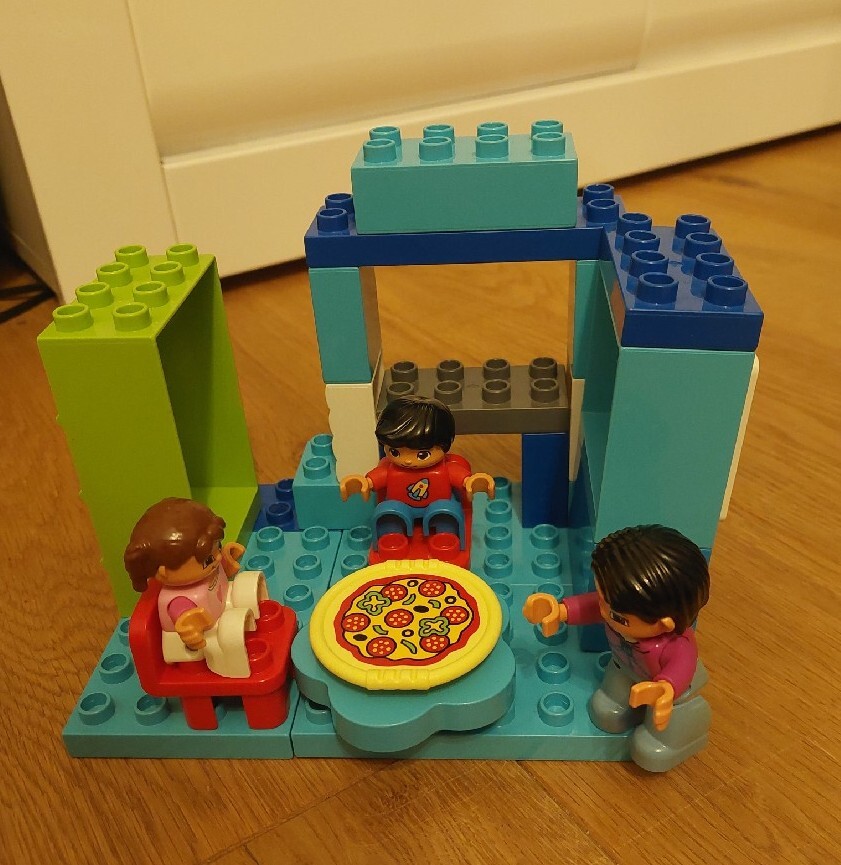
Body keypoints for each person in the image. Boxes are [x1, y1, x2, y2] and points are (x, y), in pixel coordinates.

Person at [523, 524, 712, 772]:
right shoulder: (615, 608)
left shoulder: (676, 645)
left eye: (615, 615)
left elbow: (682, 666)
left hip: (667, 693)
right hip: (623, 670)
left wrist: (666, 688)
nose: (604, 612)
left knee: (650, 745)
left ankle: (668, 735)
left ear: (664, 623)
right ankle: (626, 706)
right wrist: (560, 611)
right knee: (606, 711)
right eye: (603, 599)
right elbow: (592, 606)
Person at [124, 498, 266, 678]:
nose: (217, 558)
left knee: (247, 588)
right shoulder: (179, 599)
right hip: (205, 642)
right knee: (227, 641)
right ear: (164, 572)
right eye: (209, 559)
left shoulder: (210, 570)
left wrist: (227, 562)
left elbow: (218, 580)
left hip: (225, 613)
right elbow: (185, 620)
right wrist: (190, 631)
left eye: (218, 547)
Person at [340, 396, 494, 548]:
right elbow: (375, 479)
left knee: (446, 512)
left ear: (444, 445)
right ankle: (392, 536)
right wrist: (364, 483)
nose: (408, 461)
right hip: (400, 506)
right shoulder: (391, 470)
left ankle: (446, 536)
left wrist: (471, 482)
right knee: (389, 512)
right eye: (395, 452)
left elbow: (461, 477)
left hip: (438, 505)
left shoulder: (444, 469)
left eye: (422, 455)